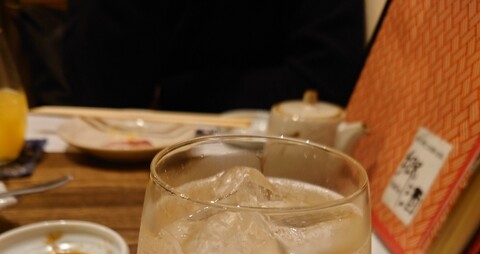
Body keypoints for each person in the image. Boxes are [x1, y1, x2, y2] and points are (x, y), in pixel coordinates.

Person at [62, 0, 366, 112]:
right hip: (125, 157)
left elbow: (325, 86)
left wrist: (173, 95)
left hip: (277, 157)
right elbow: (95, 94)